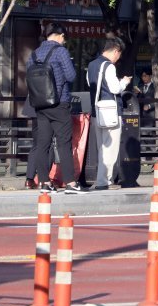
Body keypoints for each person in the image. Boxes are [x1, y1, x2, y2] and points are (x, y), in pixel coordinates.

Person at [24, 25, 83, 193]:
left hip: (40, 104)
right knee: (64, 143)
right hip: (59, 102)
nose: (64, 41)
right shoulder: (60, 52)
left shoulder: (34, 54)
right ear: (60, 35)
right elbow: (71, 75)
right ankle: (71, 183)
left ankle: (44, 182)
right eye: (64, 38)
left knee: (43, 144)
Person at [87, 37, 130, 190]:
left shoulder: (91, 65)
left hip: (96, 110)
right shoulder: (109, 66)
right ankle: (104, 181)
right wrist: (124, 82)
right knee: (110, 149)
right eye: (119, 54)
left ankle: (101, 180)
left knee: (101, 147)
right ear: (116, 51)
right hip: (111, 111)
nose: (118, 58)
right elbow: (114, 89)